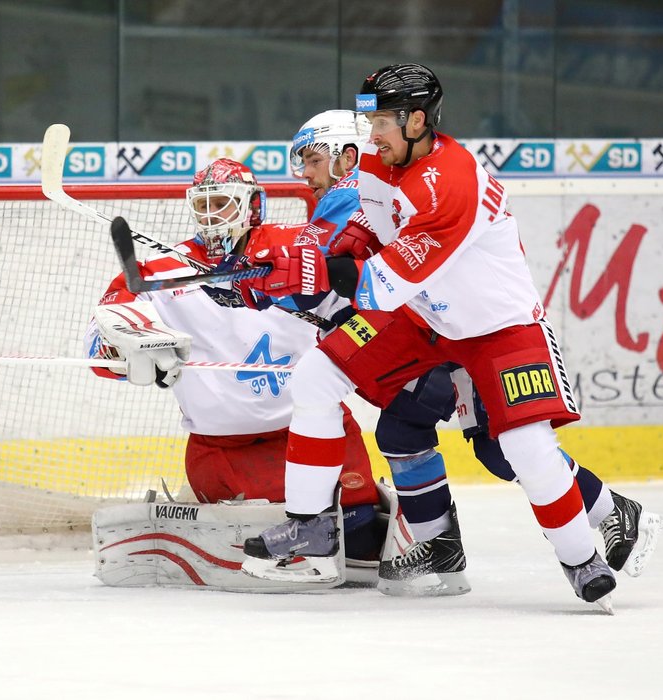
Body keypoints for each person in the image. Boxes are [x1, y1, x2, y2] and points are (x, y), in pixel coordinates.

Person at [235, 63, 626, 610]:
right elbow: (369, 226)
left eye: (382, 123)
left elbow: (378, 285)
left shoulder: (452, 185)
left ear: (418, 120)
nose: (370, 137)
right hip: (427, 317)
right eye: (368, 122)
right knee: (316, 377)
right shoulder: (379, 156)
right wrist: (330, 250)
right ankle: (312, 527)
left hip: (498, 326)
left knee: (522, 448)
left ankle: (582, 560)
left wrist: (309, 271)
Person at [84, 158, 386, 574]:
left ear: (252, 205)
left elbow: (360, 298)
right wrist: (135, 350)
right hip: (222, 452)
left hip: (315, 431)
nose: (211, 215)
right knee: (263, 549)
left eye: (223, 203)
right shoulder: (161, 271)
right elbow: (102, 336)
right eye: (203, 205)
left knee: (364, 547)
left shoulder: (297, 249)